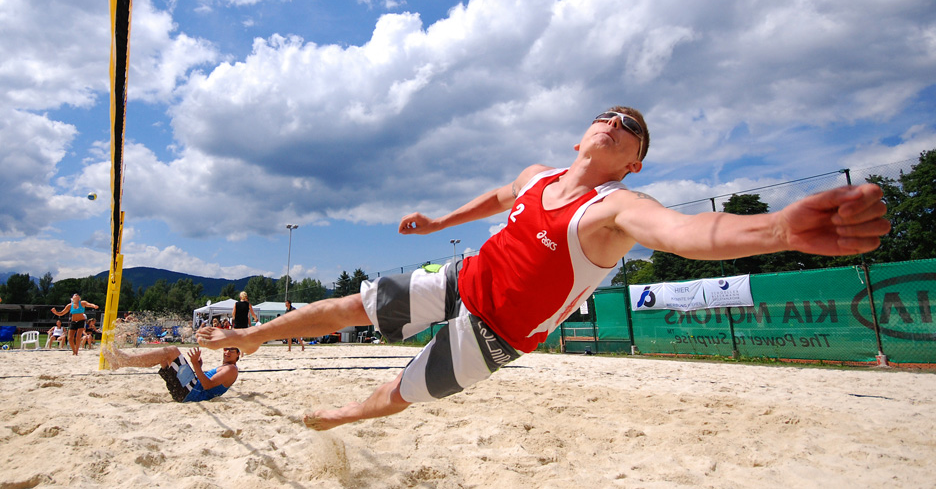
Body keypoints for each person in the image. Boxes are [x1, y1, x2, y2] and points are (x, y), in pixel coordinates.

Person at [198, 106, 890, 430]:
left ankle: (339, 416)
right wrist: (440, 223)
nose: (615, 121)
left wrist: (777, 226)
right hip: (465, 278)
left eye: (631, 126)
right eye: (607, 115)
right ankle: (255, 335)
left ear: (634, 160)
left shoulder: (616, 207)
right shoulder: (540, 173)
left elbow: (689, 232)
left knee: (403, 389)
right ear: (585, 133)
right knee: (357, 302)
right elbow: (502, 195)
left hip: (498, 333)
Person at [105, 344, 240, 402]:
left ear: (238, 355)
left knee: (172, 351)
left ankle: (126, 360)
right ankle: (122, 363)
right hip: (188, 391)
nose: (227, 352)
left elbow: (207, 385)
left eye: (231, 351)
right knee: (164, 358)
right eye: (226, 349)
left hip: (192, 393)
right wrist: (199, 366)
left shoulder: (231, 369)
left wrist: (194, 365)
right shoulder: (226, 367)